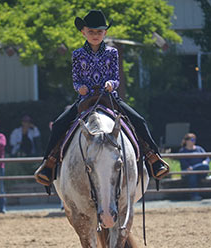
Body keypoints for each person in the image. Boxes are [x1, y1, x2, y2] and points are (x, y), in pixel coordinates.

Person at [35, 10, 169, 186]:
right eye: (91, 31)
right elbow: (76, 79)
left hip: (109, 98)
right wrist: (79, 88)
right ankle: (49, 163)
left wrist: (112, 84)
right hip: (86, 99)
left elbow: (116, 77)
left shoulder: (112, 53)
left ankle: (153, 158)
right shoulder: (77, 54)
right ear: (83, 32)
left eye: (99, 32)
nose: (95, 35)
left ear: (105, 32)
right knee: (59, 124)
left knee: (139, 121)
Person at [179, 133, 210, 201]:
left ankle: (194, 169)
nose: (194, 141)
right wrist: (189, 168)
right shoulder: (182, 151)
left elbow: (207, 157)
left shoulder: (199, 148)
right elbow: (184, 163)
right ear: (186, 141)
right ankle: (194, 196)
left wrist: (206, 161)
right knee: (192, 174)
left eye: (194, 139)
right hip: (188, 171)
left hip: (201, 170)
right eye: (192, 139)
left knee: (205, 166)